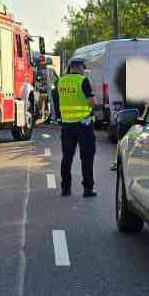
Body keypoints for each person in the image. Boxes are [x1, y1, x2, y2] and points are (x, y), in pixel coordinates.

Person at [54, 59, 97, 197]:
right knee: (87, 157)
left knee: (67, 157)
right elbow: (91, 102)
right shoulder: (83, 81)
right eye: (83, 68)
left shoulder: (60, 81)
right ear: (80, 68)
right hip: (83, 124)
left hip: (67, 125)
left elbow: (56, 101)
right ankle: (87, 189)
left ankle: (65, 188)